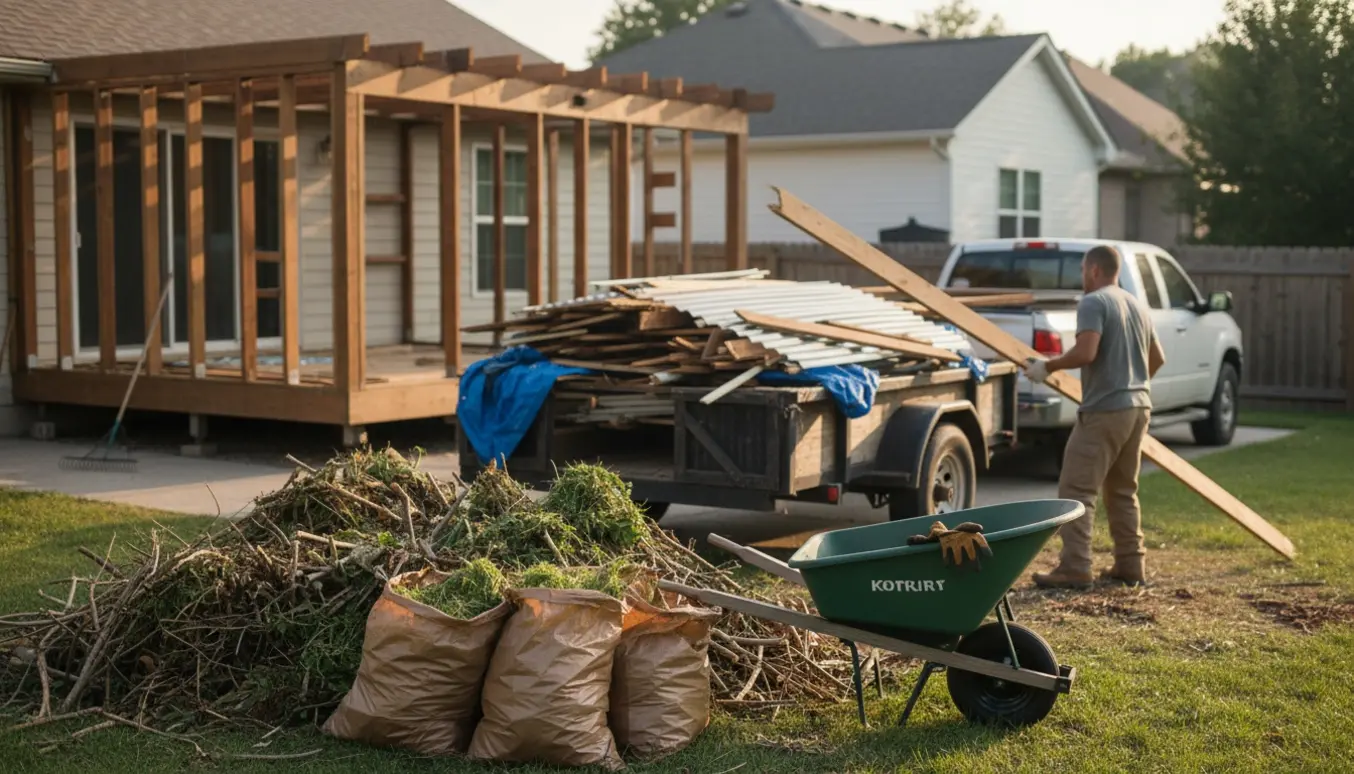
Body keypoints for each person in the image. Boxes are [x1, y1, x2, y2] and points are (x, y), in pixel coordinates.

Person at [1023, 245, 1166, 588]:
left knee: (1076, 489)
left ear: (1095, 270)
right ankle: (1131, 565)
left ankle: (1076, 567)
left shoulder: (1093, 302)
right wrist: (1129, 384)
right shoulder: (1136, 304)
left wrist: (1048, 367)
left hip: (1105, 410)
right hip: (1138, 407)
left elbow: (1087, 351)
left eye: (1083, 270)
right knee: (1122, 490)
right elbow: (1157, 358)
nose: (1082, 276)